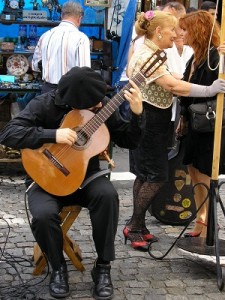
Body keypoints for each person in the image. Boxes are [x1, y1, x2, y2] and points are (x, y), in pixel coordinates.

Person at [0, 66, 145, 299]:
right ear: (76, 103)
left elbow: (129, 141)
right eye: (93, 104)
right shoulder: (45, 104)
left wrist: (137, 115)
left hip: (87, 178)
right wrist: (52, 135)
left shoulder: (102, 104)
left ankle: (103, 267)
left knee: (108, 197)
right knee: (43, 214)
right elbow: (8, 133)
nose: (99, 105)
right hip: (45, 177)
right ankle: (58, 268)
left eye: (100, 101)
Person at [124, 10, 225, 251]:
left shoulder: (154, 52)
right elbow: (171, 85)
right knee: (156, 175)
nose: (177, 34)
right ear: (158, 31)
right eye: (173, 30)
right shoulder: (148, 53)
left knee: (146, 174)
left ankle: (138, 224)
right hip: (151, 120)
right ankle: (135, 225)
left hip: (157, 119)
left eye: (183, 30)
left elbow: (171, 79)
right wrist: (209, 90)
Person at [177, 10, 225, 238]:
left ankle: (206, 222)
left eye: (185, 29)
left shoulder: (216, 56)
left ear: (198, 30)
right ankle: (201, 218)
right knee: (193, 172)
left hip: (208, 125)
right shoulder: (195, 57)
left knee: (205, 174)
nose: (181, 34)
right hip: (192, 124)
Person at [32, 1, 91, 94]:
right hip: (70, 93)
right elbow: (84, 73)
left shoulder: (45, 36)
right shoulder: (81, 38)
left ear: (61, 15)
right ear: (80, 18)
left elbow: (35, 66)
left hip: (47, 92)